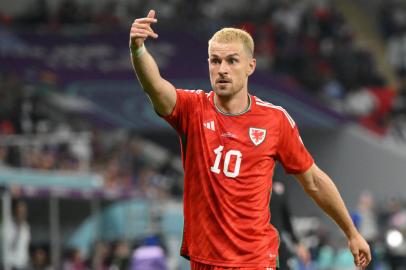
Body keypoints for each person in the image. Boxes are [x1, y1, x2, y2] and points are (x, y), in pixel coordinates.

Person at [129, 10, 371, 270]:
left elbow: (313, 181)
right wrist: (138, 49)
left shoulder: (274, 120)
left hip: (254, 260)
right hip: (204, 260)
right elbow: (154, 86)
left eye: (232, 61)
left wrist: (352, 232)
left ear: (250, 66)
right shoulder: (193, 109)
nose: (222, 69)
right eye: (215, 61)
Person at [269, 179, 311, 269]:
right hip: (252, 246)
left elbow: (286, 218)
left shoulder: (279, 186)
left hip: (275, 245)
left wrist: (297, 243)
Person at [2, 199, 31, 270]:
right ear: (15, 211)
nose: (22, 214)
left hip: (23, 265)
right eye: (20, 211)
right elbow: (10, 245)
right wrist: (18, 229)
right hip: (10, 266)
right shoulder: (7, 225)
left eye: (24, 211)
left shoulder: (26, 227)